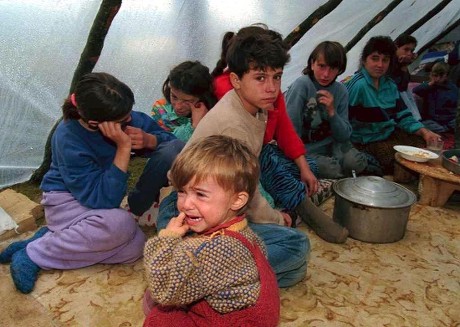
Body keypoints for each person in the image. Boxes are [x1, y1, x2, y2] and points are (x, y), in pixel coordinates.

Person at [0, 72, 179, 294]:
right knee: (121, 225)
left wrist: (152, 140)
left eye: (128, 114)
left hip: (98, 201)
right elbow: (103, 201)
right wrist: (123, 148)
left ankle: (57, 237)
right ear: (95, 123)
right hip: (66, 201)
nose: (130, 120)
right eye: (123, 121)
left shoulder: (122, 115)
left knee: (135, 247)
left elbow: (175, 144)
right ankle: (34, 254)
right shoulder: (68, 138)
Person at [209, 24, 348, 244]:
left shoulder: (268, 90)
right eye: (262, 77)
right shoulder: (231, 91)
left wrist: (303, 166)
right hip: (238, 159)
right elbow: (247, 164)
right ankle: (303, 207)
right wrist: (274, 218)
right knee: (271, 163)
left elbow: (284, 128)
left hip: (262, 148)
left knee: (308, 166)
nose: (272, 87)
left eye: (277, 77)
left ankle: (294, 189)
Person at [143, 135, 279, 327]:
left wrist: (166, 238)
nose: (185, 204)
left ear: (237, 200)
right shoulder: (245, 232)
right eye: (181, 191)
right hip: (245, 312)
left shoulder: (213, 250)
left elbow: (163, 290)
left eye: (200, 194)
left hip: (228, 321)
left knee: (158, 315)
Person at [345, 36, 440, 174]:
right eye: (375, 58)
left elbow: (403, 116)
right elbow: (344, 121)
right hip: (365, 141)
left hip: (388, 134)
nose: (380, 65)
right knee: (397, 161)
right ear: (364, 60)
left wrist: (425, 131)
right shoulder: (357, 85)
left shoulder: (390, 84)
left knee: (423, 149)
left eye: (385, 60)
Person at [285, 41, 371, 178]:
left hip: (333, 146)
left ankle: (342, 172)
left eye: (332, 68)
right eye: (321, 66)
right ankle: (338, 173)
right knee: (329, 168)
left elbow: (344, 136)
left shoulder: (340, 90)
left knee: (354, 163)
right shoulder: (302, 85)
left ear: (340, 70)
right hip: (306, 149)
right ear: (312, 64)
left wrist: (332, 113)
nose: (326, 74)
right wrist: (299, 158)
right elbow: (289, 129)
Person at [151, 61, 217, 142]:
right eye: (174, 97)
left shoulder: (213, 112)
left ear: (202, 97)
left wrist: (202, 123)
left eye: (187, 101)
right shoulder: (160, 110)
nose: (178, 106)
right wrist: (194, 127)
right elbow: (166, 143)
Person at [412, 61, 459, 133]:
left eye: (440, 76)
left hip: (448, 120)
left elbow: (454, 109)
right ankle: (444, 129)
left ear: (446, 76)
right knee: (423, 124)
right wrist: (430, 84)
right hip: (432, 120)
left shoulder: (453, 89)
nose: (437, 79)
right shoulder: (429, 86)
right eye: (435, 76)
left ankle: (445, 129)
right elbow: (416, 90)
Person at [390, 33, 422, 121]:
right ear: (396, 47)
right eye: (406, 49)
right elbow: (397, 87)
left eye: (411, 51)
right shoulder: (388, 62)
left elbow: (404, 86)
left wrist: (404, 65)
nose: (409, 53)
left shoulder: (401, 63)